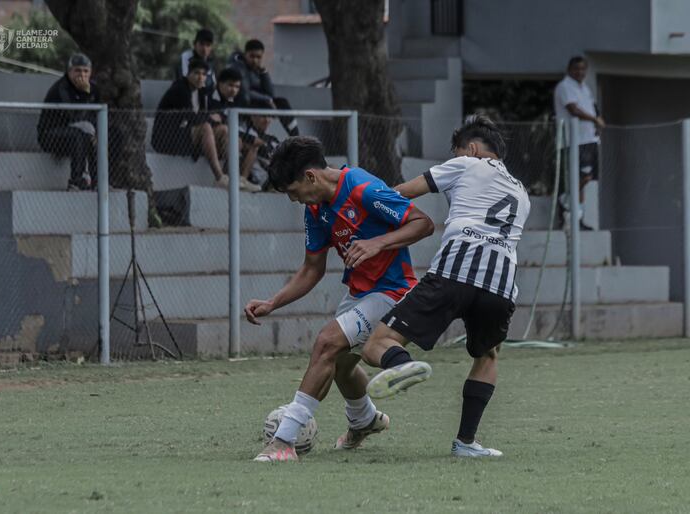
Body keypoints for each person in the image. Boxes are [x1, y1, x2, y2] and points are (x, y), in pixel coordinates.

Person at [245, 136, 435, 462]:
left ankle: (284, 442)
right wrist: (273, 302)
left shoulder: (363, 189)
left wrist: (379, 243)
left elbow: (424, 223)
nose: (293, 200)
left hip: (393, 291)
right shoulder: (315, 209)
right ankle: (364, 421)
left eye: (292, 191)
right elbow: (311, 269)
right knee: (342, 366)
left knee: (326, 342)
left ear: (310, 177)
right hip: (360, 294)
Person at [361, 115, 531, 459]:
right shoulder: (521, 190)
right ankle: (466, 443)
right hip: (501, 282)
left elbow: (405, 193)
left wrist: (368, 205)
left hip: (456, 269)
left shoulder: (468, 163)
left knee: (377, 344)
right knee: (488, 355)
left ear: (470, 148)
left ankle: (400, 364)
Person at [152, 56, 232, 190]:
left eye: (203, 74)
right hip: (166, 138)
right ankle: (219, 177)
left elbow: (211, 115)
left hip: (185, 135)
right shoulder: (180, 88)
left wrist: (213, 118)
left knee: (224, 129)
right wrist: (210, 118)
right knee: (206, 127)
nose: (200, 77)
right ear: (188, 74)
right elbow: (191, 117)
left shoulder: (200, 92)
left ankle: (232, 176)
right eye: (196, 73)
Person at [553, 55, 604, 230]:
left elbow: (592, 107)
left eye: (583, 69)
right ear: (569, 69)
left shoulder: (584, 88)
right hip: (574, 141)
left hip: (589, 139)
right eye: (577, 69)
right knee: (580, 177)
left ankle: (577, 217)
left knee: (586, 179)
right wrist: (594, 120)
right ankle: (565, 205)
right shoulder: (565, 86)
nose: (580, 72)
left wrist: (597, 121)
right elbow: (573, 110)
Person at [37, 53, 100, 191]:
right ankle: (75, 181)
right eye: (77, 70)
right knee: (79, 135)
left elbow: (98, 115)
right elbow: (73, 117)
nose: (81, 74)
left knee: (107, 134)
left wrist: (97, 132)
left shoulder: (94, 89)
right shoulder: (61, 88)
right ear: (69, 71)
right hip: (51, 135)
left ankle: (98, 182)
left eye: (85, 71)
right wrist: (85, 93)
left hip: (83, 132)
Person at [228, 39, 299, 137]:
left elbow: (271, 94)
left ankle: (296, 137)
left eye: (258, 57)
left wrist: (263, 72)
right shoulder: (238, 67)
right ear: (245, 54)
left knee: (282, 102)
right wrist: (268, 99)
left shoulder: (256, 70)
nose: (255, 60)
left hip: (256, 102)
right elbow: (245, 92)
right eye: (252, 56)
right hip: (241, 104)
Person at [208, 68, 261, 192]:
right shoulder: (210, 98)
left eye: (237, 87)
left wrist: (252, 139)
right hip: (211, 140)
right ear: (220, 83)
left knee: (254, 145)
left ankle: (242, 179)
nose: (234, 90)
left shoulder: (232, 101)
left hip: (228, 135)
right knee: (233, 137)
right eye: (230, 85)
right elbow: (221, 124)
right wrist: (250, 138)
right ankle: (229, 178)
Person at [239, 99, 280, 190]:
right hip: (259, 177)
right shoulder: (243, 132)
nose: (267, 120)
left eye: (269, 116)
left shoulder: (272, 139)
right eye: (263, 116)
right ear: (252, 116)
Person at [176, 29, 217, 94]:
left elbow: (212, 84)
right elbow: (185, 79)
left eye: (208, 45)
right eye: (201, 44)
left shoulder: (210, 62)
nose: (204, 48)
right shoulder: (187, 56)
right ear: (194, 45)